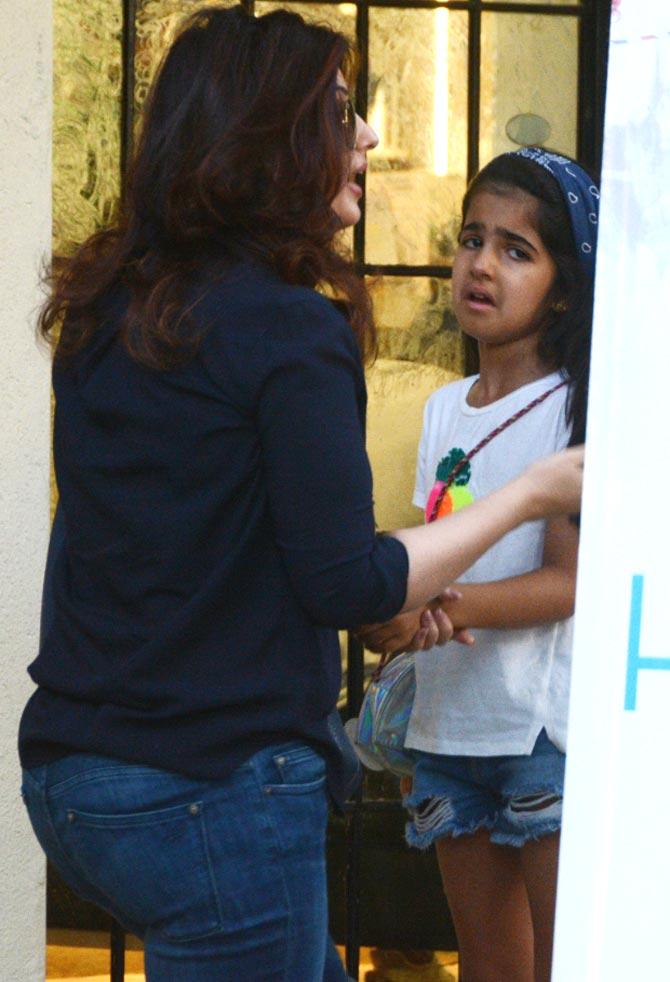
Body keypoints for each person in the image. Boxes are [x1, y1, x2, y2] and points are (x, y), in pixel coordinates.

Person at [18, 4, 583, 977]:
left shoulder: (107, 310)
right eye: (337, 110)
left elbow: (227, 546)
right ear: (262, 141)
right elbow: (345, 583)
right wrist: (529, 494)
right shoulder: (289, 330)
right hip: (211, 789)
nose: (367, 134)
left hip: (76, 780)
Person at [360, 148, 598, 982]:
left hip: (539, 735)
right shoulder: (439, 410)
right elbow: (446, 534)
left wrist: (448, 609)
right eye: (471, 239)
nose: (482, 265)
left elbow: (569, 583)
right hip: (445, 728)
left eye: (516, 250)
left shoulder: (576, 403)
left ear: (564, 284)